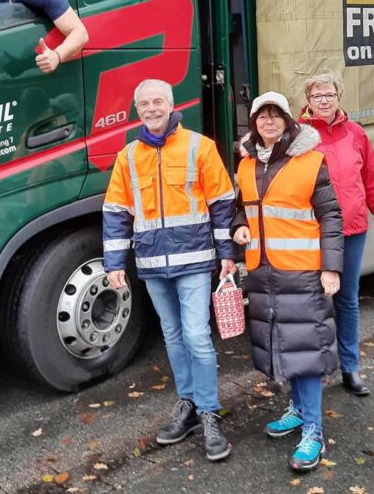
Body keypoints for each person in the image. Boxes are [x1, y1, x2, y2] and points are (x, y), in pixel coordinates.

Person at [102, 79, 236, 462]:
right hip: (151, 265)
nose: (151, 108)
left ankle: (210, 412)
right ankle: (189, 405)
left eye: (157, 101)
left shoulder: (200, 146)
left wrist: (226, 253)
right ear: (137, 109)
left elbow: (223, 202)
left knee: (195, 336)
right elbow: (115, 213)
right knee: (174, 337)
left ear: (171, 104)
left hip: (193, 260)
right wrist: (114, 264)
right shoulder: (128, 156)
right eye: (144, 103)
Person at [231, 91, 343, 472]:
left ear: (288, 121)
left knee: (306, 350)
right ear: (253, 123)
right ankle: (297, 410)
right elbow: (238, 210)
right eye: (261, 116)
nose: (268, 122)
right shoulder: (246, 164)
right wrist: (239, 228)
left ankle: (314, 430)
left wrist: (331, 267)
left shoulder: (312, 161)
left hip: (302, 271)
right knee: (283, 344)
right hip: (263, 272)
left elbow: (330, 216)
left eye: (275, 115)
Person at [300, 71, 374, 397]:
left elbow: (372, 181)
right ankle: (313, 369)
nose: (324, 101)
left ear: (338, 98)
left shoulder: (355, 134)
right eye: (317, 96)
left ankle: (350, 368)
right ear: (308, 101)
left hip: (352, 229)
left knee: (347, 300)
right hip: (312, 232)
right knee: (311, 303)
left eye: (329, 95)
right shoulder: (298, 137)